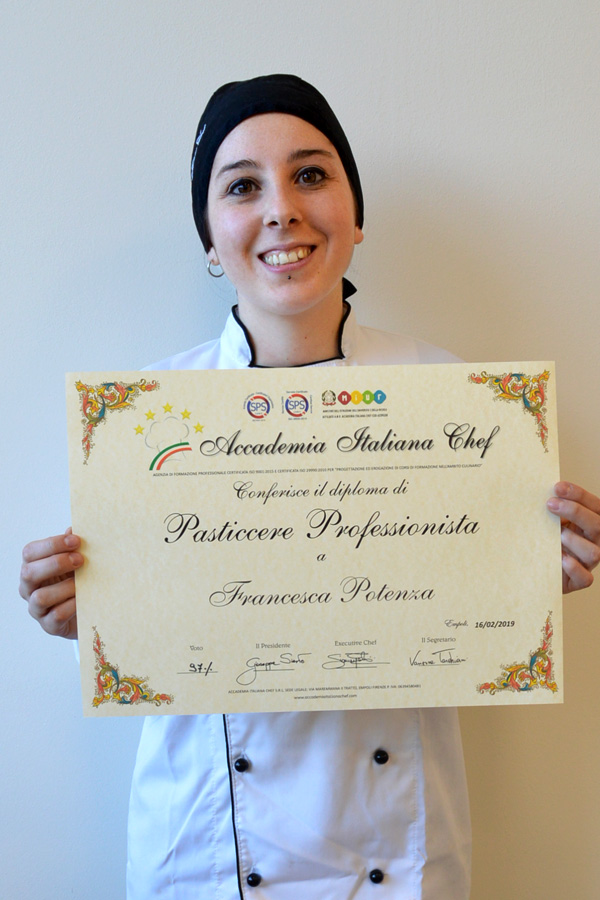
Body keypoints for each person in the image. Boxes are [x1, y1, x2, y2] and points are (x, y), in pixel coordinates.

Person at [19, 75, 600, 900]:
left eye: (312, 175)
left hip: (399, 861)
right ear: (209, 240)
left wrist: (534, 572)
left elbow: (473, 614)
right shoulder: (143, 418)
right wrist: (82, 610)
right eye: (242, 187)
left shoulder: (451, 393)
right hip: (207, 856)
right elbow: (148, 633)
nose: (282, 210)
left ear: (355, 214)